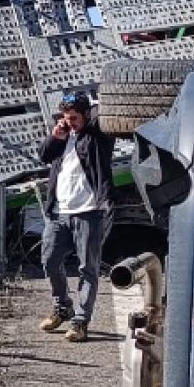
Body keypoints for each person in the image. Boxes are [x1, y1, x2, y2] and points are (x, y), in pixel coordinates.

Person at [38, 92, 112, 342]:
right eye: (66, 118)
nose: (70, 123)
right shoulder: (62, 136)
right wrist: (55, 137)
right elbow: (44, 156)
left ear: (87, 115)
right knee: (49, 261)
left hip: (88, 212)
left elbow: (106, 116)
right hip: (59, 212)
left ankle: (80, 321)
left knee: (87, 268)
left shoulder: (96, 136)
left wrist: (93, 110)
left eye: (75, 118)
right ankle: (63, 306)